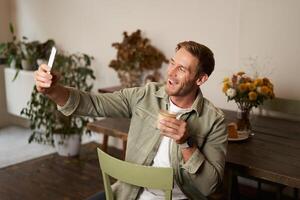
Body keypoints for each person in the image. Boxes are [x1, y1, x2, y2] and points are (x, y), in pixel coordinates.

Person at [34, 41, 227, 200]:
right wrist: (53, 91)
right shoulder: (145, 95)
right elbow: (93, 103)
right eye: (172, 63)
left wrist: (186, 143)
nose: (171, 72)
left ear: (200, 79)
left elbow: (209, 187)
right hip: (129, 192)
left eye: (182, 69)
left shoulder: (214, 120)